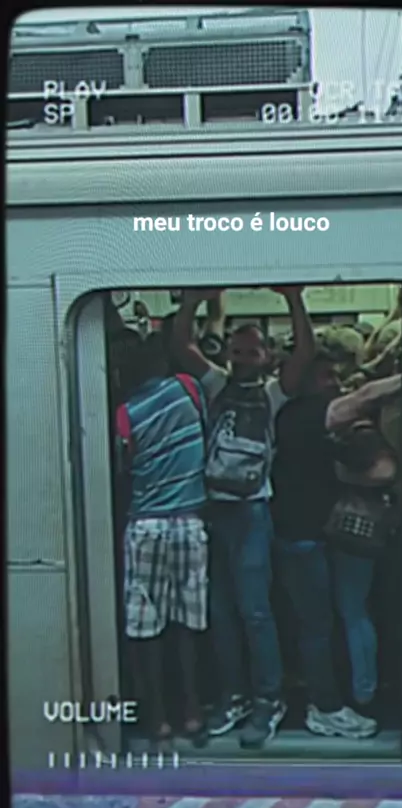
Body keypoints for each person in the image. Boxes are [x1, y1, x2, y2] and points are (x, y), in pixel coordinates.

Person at [173, 286, 315, 748]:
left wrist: (295, 300)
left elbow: (305, 354)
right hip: (214, 508)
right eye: (236, 351)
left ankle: (267, 700)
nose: (241, 359)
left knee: (255, 611)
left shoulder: (273, 393)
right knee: (221, 611)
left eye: (251, 352)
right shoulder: (216, 384)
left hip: (253, 510)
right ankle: (233, 697)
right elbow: (181, 347)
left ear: (266, 356)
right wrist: (191, 304)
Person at [271, 348, 378, 738]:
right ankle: (325, 708)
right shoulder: (299, 415)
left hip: (309, 534)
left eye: (336, 376)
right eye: (325, 377)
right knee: (315, 627)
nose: (334, 384)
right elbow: (362, 401)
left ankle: (324, 698)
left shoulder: (307, 420)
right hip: (299, 536)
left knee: (318, 624)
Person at [116, 331, 209, 747]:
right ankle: (192, 712)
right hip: (189, 523)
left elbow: (124, 466)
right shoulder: (188, 389)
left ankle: (157, 720)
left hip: (146, 525)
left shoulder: (124, 412)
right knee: (187, 623)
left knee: (145, 626)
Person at [324, 373, 402, 712]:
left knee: (353, 610)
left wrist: (340, 473)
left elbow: (385, 471)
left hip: (357, 536)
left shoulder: (363, 431)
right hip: (381, 530)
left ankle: (364, 691)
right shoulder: (388, 424)